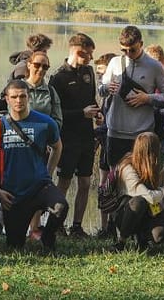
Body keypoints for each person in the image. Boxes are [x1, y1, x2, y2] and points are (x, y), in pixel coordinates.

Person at [0, 80, 68, 252]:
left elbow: (57, 146)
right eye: (14, 97)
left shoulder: (46, 123)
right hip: (13, 194)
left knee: (61, 207)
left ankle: (48, 235)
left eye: (22, 96)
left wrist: (48, 173)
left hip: (40, 187)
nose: (18, 101)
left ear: (28, 97)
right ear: (7, 99)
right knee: (15, 245)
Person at [98, 26, 164, 171]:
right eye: (124, 50)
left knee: (141, 178)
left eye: (132, 50)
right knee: (115, 179)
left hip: (142, 134)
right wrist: (106, 88)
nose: (128, 54)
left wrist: (147, 98)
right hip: (115, 131)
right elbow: (100, 90)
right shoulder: (114, 63)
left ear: (141, 44)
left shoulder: (154, 66)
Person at [49, 33, 99, 238]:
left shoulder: (89, 72)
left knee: (86, 183)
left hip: (87, 136)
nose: (91, 59)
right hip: (68, 138)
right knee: (65, 181)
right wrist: (81, 113)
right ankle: (57, 223)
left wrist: (98, 113)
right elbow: (56, 114)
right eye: (88, 55)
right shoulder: (58, 77)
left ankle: (77, 226)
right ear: (78, 52)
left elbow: (91, 101)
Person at [20, 50, 62, 240]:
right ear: (28, 64)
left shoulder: (51, 91)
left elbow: (57, 120)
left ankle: (35, 228)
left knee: (39, 186)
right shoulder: (18, 89)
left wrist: (46, 138)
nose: (41, 69)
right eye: (37, 64)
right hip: (19, 149)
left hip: (42, 149)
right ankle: (7, 224)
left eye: (45, 66)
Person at [111, 132, 164, 252]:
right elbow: (149, 197)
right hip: (127, 212)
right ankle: (121, 241)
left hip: (150, 210)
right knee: (139, 201)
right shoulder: (127, 167)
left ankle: (143, 239)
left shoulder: (158, 165)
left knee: (159, 236)